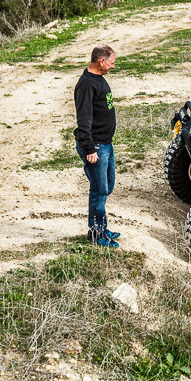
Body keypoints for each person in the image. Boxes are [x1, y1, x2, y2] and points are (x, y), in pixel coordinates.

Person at [75, 45, 120, 247]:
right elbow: (83, 120)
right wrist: (89, 148)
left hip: (106, 144)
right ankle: (96, 233)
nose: (113, 66)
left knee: (107, 186)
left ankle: (101, 226)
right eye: (111, 62)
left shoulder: (98, 80)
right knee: (98, 190)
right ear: (101, 61)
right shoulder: (86, 85)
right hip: (96, 147)